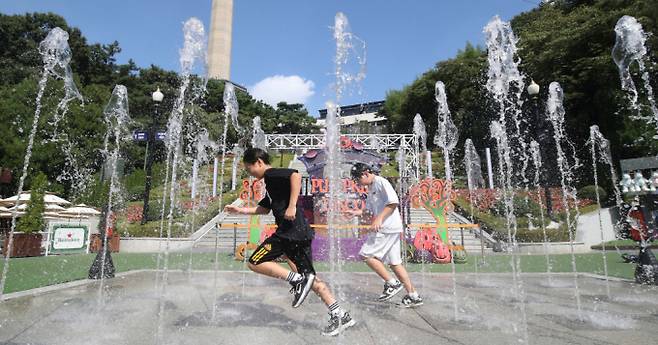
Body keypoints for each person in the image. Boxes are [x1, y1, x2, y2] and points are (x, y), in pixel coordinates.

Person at [224, 147, 355, 336]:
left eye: (249, 168)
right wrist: (239, 211)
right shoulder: (271, 186)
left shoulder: (271, 175)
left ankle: (298, 280)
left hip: (289, 232)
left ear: (259, 162)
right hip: (298, 233)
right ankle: (340, 314)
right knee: (312, 279)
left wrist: (292, 205)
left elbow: (295, 175)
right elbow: (263, 210)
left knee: (254, 262)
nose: (250, 173)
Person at [344, 163, 423, 307]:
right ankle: (413, 295)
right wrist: (356, 213)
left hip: (386, 227)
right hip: (391, 228)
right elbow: (369, 210)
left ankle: (392, 283)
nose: (357, 183)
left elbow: (393, 203)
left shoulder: (381, 182)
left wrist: (379, 219)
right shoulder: (371, 188)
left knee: (366, 255)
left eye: (357, 179)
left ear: (366, 173)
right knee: (395, 263)